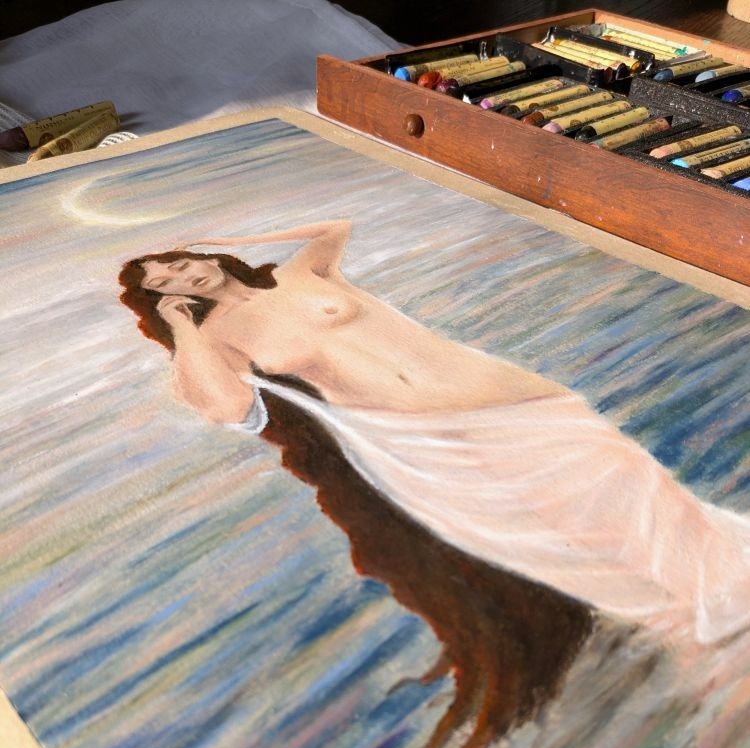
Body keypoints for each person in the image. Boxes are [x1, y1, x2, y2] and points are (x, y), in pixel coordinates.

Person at [118, 219, 750, 647]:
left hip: (490, 391)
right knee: (551, 523)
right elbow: (226, 408)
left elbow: (335, 226)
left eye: (179, 263)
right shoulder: (217, 337)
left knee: (624, 475)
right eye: (163, 284)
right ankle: (687, 609)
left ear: (202, 254)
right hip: (413, 436)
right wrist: (183, 328)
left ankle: (722, 588)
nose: (181, 278)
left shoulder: (298, 275)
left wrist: (229, 237)